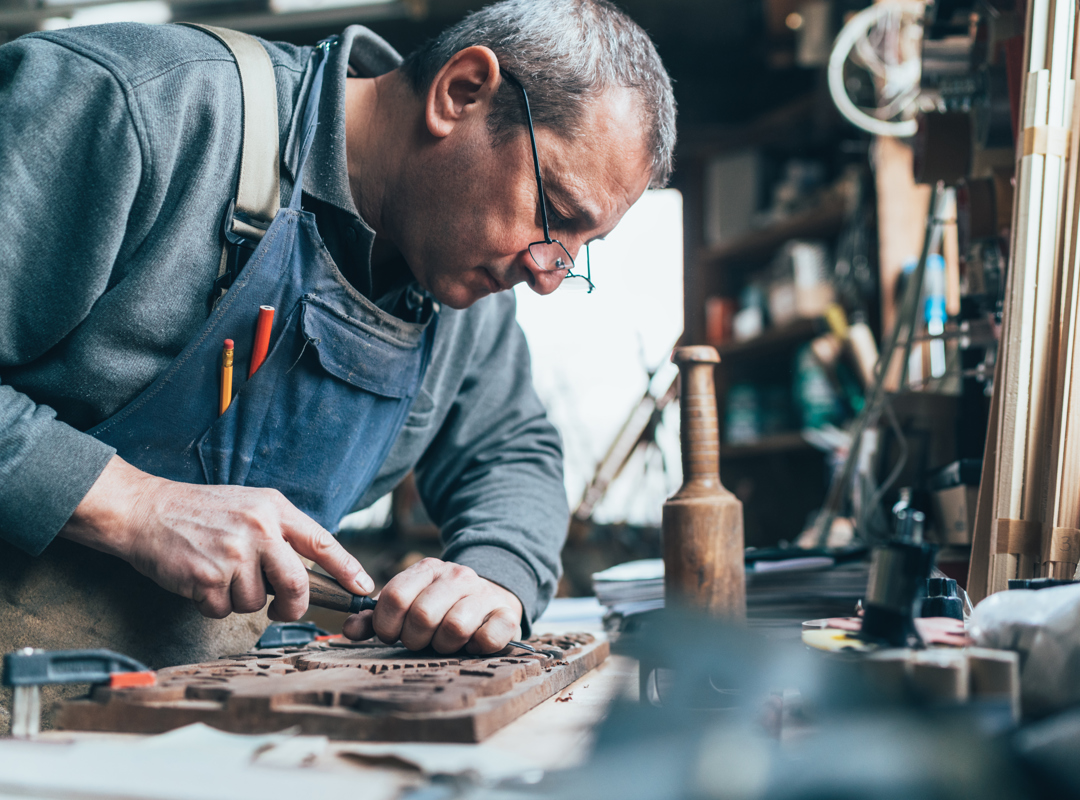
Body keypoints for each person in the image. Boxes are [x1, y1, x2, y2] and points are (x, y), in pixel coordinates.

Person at [0, 0, 675, 685]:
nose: (547, 274)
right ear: (461, 92)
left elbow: (510, 451)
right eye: (554, 214)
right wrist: (133, 505)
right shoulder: (138, 107)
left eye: (579, 250)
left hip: (208, 716)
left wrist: (493, 576)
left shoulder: (458, 282)